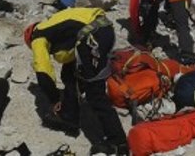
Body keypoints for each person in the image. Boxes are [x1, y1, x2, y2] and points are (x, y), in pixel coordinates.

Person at [24, 8, 128, 156]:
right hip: (101, 30)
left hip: (92, 37)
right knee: (68, 74)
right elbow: (70, 54)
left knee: (94, 93)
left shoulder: (37, 37)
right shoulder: (54, 26)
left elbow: (43, 72)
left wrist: (54, 99)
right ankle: (69, 116)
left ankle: (118, 143)